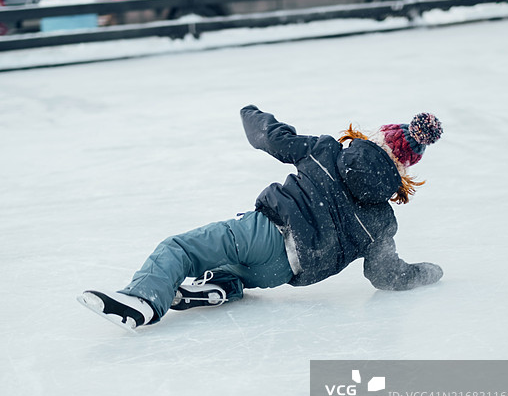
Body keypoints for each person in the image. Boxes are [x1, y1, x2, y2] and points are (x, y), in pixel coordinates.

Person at [78, 105, 444, 331]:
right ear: (403, 170)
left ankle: (142, 300)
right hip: (283, 273)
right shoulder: (382, 219)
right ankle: (222, 287)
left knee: (179, 249)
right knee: (233, 269)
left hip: (265, 233)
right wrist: (425, 272)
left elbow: (271, 138)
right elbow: (385, 275)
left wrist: (250, 113)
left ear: (375, 137)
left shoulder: (327, 152)